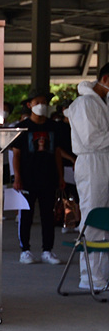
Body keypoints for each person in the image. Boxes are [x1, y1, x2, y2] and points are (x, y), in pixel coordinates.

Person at [11, 89, 65, 265]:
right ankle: (25, 250)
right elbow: (16, 155)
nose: (42, 105)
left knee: (47, 216)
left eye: (45, 102)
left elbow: (57, 152)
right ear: (30, 105)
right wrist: (17, 177)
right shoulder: (23, 128)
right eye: (38, 102)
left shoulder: (53, 127)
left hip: (48, 177)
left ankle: (47, 251)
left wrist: (61, 176)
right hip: (27, 178)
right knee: (26, 215)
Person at [68, 62, 109, 291]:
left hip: (105, 158)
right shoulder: (84, 103)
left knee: (106, 218)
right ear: (106, 78)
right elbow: (92, 139)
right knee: (93, 216)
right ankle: (90, 277)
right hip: (92, 161)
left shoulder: (105, 102)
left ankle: (102, 275)